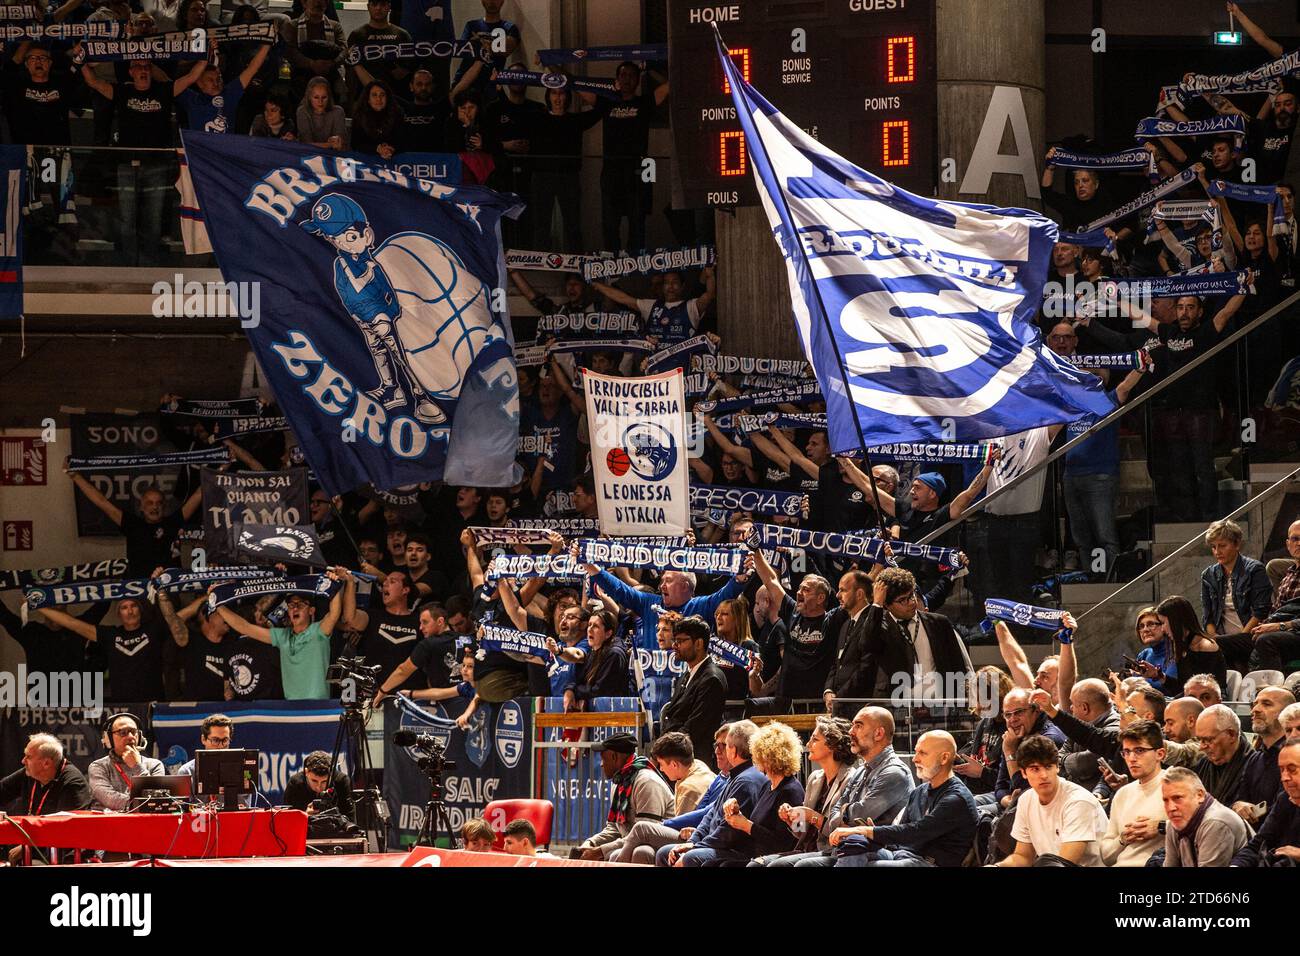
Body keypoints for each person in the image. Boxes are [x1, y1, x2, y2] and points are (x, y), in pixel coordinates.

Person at [769, 707, 915, 868]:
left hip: (864, 848)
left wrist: (816, 817)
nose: (851, 731)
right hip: (826, 847)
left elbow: (856, 815)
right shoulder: (816, 778)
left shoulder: (886, 772)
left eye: (858, 726)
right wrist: (794, 821)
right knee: (766, 864)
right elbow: (816, 828)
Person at [830, 730, 978, 867]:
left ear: (944, 757)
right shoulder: (919, 791)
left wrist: (866, 830)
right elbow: (900, 837)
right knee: (853, 844)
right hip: (902, 855)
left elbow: (915, 832)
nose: (915, 759)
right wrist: (870, 833)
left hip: (929, 862)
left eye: (922, 753)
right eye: (915, 752)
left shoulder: (957, 798)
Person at [62, 460, 203, 576]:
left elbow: (198, 495)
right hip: (138, 591)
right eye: (149, 503)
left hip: (169, 590)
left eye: (159, 503)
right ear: (141, 506)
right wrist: (75, 476)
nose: (154, 507)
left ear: (165, 506)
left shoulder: (173, 522)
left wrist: (223, 467)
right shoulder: (132, 524)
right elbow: (101, 502)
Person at [657, 720, 767, 867]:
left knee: (691, 858)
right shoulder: (734, 775)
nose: (716, 751)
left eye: (725, 745)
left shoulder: (747, 780)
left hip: (736, 849)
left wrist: (697, 846)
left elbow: (729, 832)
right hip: (717, 843)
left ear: (733, 751)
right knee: (665, 853)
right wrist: (693, 841)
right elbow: (711, 814)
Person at [213, 576, 343, 700]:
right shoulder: (282, 636)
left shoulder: (318, 630)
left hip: (318, 707)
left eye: (301, 604)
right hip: (290, 707)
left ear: (311, 611)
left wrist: (333, 585)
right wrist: (219, 604)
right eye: (291, 605)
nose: (295, 608)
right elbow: (244, 627)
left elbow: (334, 613)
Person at [618, 725, 731, 865]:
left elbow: (698, 819)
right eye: (716, 745)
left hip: (698, 836)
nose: (716, 751)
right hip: (697, 832)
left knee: (642, 828)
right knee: (643, 852)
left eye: (724, 746)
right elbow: (709, 812)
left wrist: (665, 824)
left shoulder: (690, 787)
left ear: (674, 765)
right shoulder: (700, 767)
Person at [751, 715, 856, 865]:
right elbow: (801, 831)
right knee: (755, 864)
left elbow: (839, 831)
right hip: (806, 849)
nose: (808, 744)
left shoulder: (850, 779)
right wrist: (791, 819)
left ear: (831, 745)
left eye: (815, 739)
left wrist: (811, 816)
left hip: (830, 850)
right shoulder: (815, 778)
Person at [37, 596, 177, 703]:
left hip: (153, 702)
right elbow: (72, 624)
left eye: (133, 606)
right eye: (124, 607)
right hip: (123, 706)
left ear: (140, 609)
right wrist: (37, 605)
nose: (129, 611)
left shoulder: (153, 629)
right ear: (118, 614)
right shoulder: (110, 634)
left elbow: (175, 618)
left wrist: (198, 600)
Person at [994, 735, 1107, 867]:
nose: (1043, 775)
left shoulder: (1078, 801)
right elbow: (1023, 856)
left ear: (1057, 767)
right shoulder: (1026, 800)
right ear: (1023, 773)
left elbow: (1065, 862)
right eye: (1035, 769)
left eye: (1048, 767)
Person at [712, 722, 806, 864]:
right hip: (754, 855)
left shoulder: (793, 791)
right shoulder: (768, 785)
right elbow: (756, 821)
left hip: (776, 858)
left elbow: (789, 842)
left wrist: (746, 825)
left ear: (766, 757)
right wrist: (737, 811)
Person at [574, 733, 673, 861]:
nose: (601, 764)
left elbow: (645, 834)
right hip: (633, 841)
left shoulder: (646, 782)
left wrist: (600, 851)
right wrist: (591, 844)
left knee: (641, 852)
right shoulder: (620, 781)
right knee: (606, 852)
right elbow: (614, 828)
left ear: (614, 757)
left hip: (661, 843)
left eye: (603, 759)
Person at [1199, 520, 1272, 672]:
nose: (1217, 551)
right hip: (1221, 637)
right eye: (1213, 547)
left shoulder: (1254, 569)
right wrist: (1214, 639)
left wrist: (1237, 639)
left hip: (1249, 634)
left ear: (1237, 544)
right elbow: (1208, 617)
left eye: (1222, 545)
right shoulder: (1208, 575)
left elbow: (1261, 611)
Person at [658, 616, 728, 769]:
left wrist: (666, 749)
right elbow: (673, 714)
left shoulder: (712, 678)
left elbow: (695, 728)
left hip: (695, 762)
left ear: (698, 643)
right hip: (677, 760)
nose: (675, 645)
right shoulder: (687, 674)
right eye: (675, 641)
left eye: (681, 641)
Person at [339, 568, 423, 695]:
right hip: (374, 695)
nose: (385, 584)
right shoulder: (373, 616)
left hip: (409, 697)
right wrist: (350, 583)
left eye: (392, 581)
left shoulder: (420, 621)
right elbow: (351, 619)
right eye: (385, 582)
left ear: (405, 590)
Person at [1100, 720, 1168, 866]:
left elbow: (1202, 826)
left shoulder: (1177, 783)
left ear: (1160, 754)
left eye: (1139, 751)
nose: (1131, 758)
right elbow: (1106, 856)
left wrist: (1161, 827)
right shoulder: (1123, 793)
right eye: (1126, 752)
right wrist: (1122, 839)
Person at [592, 268, 716, 348]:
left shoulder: (691, 306)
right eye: (667, 283)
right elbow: (623, 298)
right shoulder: (651, 305)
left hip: (683, 367)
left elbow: (709, 295)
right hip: (656, 367)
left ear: (682, 286)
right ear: (662, 286)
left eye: (675, 282)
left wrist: (709, 274)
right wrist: (597, 284)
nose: (670, 286)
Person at [1162, 766, 1249, 867]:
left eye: (1177, 798)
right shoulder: (1174, 823)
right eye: (1165, 800)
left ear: (1200, 795)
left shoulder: (1215, 823)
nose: (1171, 807)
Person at [1232, 740, 1300, 866]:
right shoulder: (1284, 800)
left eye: (1292, 769)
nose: (1284, 777)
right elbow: (1255, 847)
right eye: (1281, 770)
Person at [87, 713, 166, 811]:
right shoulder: (98, 767)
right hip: (109, 824)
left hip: (144, 823)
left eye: (133, 732)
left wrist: (137, 766)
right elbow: (110, 800)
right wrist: (144, 804)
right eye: (123, 732)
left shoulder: (155, 765)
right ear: (109, 738)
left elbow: (157, 797)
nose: (130, 737)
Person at [0, 734, 91, 819]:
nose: (23, 761)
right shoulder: (30, 773)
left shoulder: (72, 783)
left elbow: (66, 826)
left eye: (28, 757)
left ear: (46, 763)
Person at [1157, 595, 1228, 691]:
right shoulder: (1183, 645)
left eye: (1163, 623)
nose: (1162, 629)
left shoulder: (1205, 646)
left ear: (1176, 620)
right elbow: (1183, 688)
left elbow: (1203, 691)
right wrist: (1159, 676)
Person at [563, 609, 631, 708]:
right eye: (589, 624)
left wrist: (574, 691)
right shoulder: (594, 651)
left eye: (595, 626)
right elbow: (579, 680)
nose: (589, 629)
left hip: (616, 714)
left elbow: (599, 690)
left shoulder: (615, 654)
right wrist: (570, 689)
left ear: (608, 633)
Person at [1192, 704, 1255, 807]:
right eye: (1200, 740)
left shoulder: (1254, 768)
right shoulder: (1202, 765)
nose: (1201, 747)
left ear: (1231, 735)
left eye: (1208, 740)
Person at [650, 732, 716, 817]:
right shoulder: (698, 764)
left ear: (674, 765)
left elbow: (679, 827)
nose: (661, 769)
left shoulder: (688, 789)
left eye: (661, 764)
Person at [283, 750, 354, 820]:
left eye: (324, 781)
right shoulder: (295, 783)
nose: (319, 787)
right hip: (304, 830)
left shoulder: (341, 781)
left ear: (332, 774)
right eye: (314, 781)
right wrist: (305, 816)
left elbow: (351, 818)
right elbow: (286, 819)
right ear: (306, 772)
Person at [296, 75, 347, 150]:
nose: (320, 102)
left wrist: (337, 140)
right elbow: (306, 144)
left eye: (324, 97)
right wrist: (329, 145)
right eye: (316, 97)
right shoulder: (302, 111)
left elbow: (340, 144)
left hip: (334, 155)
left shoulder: (338, 112)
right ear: (309, 97)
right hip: (309, 155)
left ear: (329, 96)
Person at [175, 714, 234, 778]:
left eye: (225, 740)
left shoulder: (240, 768)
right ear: (203, 739)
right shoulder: (187, 772)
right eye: (215, 740)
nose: (221, 746)